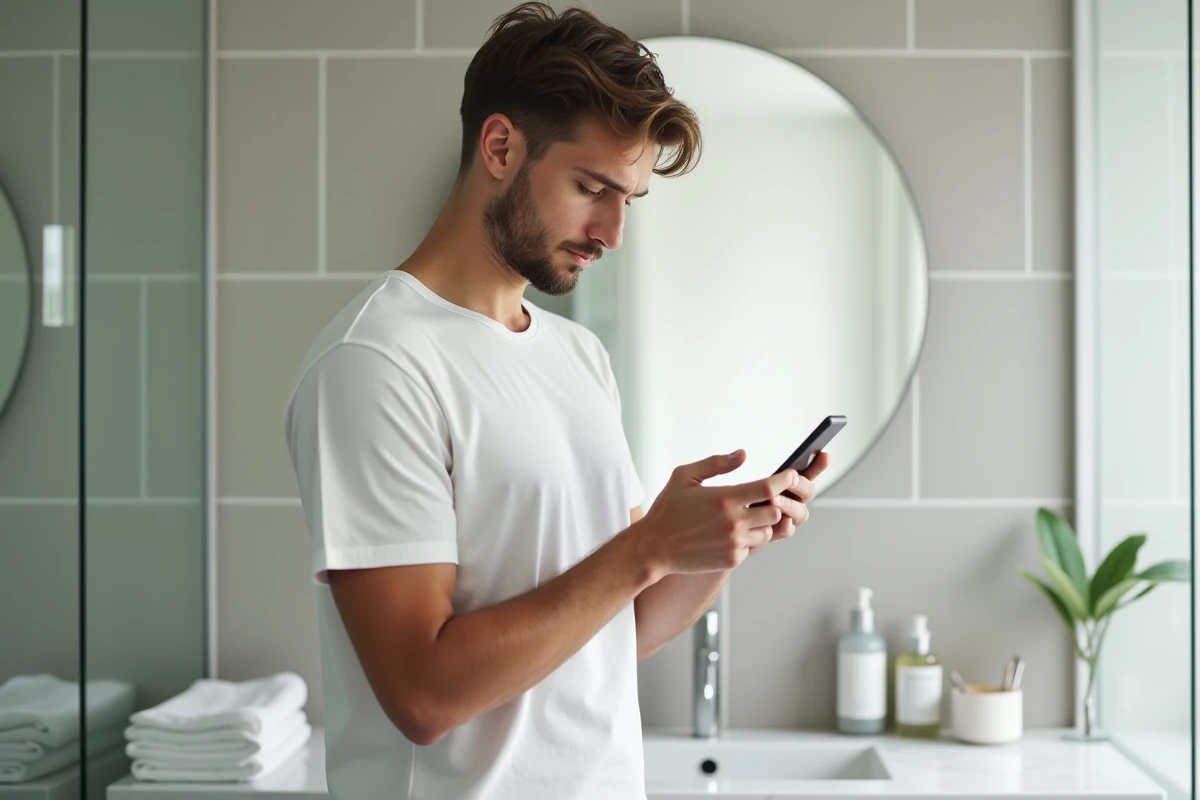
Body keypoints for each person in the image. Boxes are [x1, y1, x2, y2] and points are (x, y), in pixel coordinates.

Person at [283, 3, 828, 798]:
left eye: (629, 200)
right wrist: (645, 549)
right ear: (500, 146)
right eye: (591, 188)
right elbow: (423, 695)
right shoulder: (376, 362)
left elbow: (618, 632)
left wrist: (715, 542)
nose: (611, 232)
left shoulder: (578, 357)